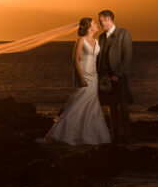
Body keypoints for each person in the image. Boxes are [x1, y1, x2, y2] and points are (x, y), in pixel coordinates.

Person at [42, 17, 112, 145]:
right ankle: (63, 134)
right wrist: (81, 78)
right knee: (77, 104)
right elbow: (75, 61)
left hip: (94, 76)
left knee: (91, 106)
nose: (97, 24)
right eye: (94, 23)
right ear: (89, 27)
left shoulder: (97, 41)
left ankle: (89, 135)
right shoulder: (81, 41)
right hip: (83, 75)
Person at [97, 9, 133, 143]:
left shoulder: (124, 34)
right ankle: (115, 136)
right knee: (111, 110)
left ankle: (126, 137)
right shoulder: (101, 37)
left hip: (120, 78)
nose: (100, 24)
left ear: (108, 19)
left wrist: (117, 74)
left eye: (101, 21)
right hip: (105, 79)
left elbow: (127, 57)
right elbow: (99, 59)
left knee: (123, 108)